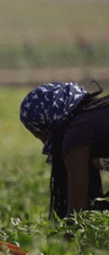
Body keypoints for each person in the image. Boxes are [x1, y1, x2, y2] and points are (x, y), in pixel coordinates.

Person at [19, 81, 109, 219]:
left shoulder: (76, 133)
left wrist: (63, 238)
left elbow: (77, 212)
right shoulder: (96, 113)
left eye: (41, 136)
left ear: (46, 125)